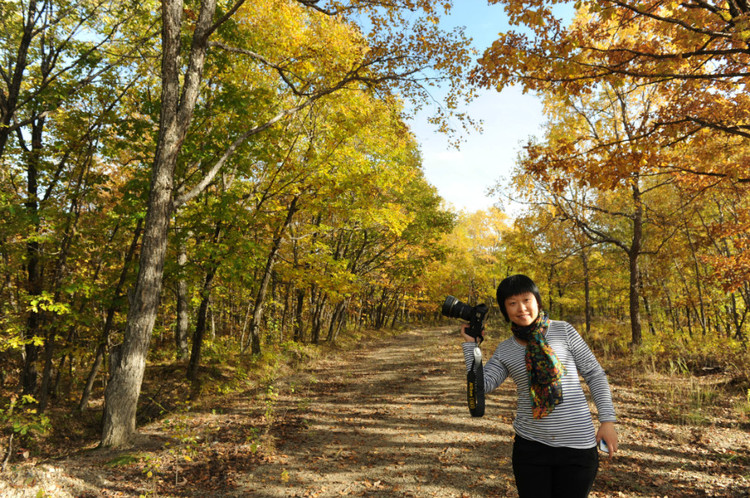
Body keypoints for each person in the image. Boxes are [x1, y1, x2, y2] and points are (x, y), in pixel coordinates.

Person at [460, 274, 618, 498]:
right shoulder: (506, 349)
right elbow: (481, 386)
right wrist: (471, 347)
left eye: (526, 300)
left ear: (537, 302)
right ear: (505, 311)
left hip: (578, 447)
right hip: (531, 448)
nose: (521, 308)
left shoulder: (564, 331)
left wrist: (607, 421)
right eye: (512, 303)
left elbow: (594, 373)